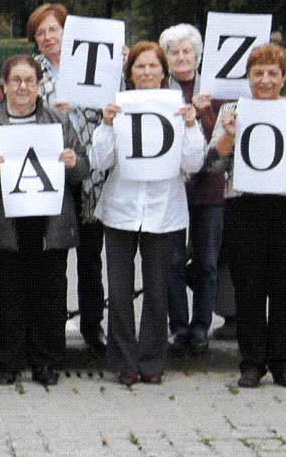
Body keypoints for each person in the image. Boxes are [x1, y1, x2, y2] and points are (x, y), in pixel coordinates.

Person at [205, 43, 286, 389]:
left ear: (284, 78)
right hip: (244, 206)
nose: (264, 79)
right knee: (248, 285)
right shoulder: (233, 110)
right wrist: (228, 135)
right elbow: (213, 163)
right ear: (248, 77)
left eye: (272, 73)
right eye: (257, 72)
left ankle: (284, 363)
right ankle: (251, 363)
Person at [89, 42, 205, 387]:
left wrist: (192, 126)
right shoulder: (117, 107)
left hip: (164, 210)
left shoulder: (178, 109)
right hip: (122, 209)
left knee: (158, 290)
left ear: (164, 73)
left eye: (153, 66)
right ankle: (123, 360)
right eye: (139, 67)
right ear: (130, 73)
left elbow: (193, 163)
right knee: (120, 291)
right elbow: (99, 161)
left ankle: (153, 359)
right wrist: (107, 125)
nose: (147, 73)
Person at [0, 55, 84, 386]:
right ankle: (7, 362)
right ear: (4, 86)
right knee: (5, 293)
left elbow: (82, 171)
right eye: (15, 81)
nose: (22, 87)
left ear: (38, 85)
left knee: (48, 293)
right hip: (3, 220)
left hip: (49, 222)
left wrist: (72, 162)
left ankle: (45, 362)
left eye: (28, 81)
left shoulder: (60, 121)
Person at [29, 3, 106, 352]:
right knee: (52, 258)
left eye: (53, 30)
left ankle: (93, 325)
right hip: (50, 176)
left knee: (91, 257)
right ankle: (49, 329)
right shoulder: (31, 71)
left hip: (91, 176)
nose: (48, 37)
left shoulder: (95, 65)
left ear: (67, 31)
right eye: (40, 32)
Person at [158, 23, 221, 355]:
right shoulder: (158, 89)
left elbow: (222, 138)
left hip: (209, 189)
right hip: (171, 188)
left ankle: (201, 326)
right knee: (173, 260)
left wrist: (201, 111)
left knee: (207, 261)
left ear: (197, 56)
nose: (181, 57)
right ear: (166, 57)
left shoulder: (213, 91)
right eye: (174, 51)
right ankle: (178, 327)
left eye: (187, 51)